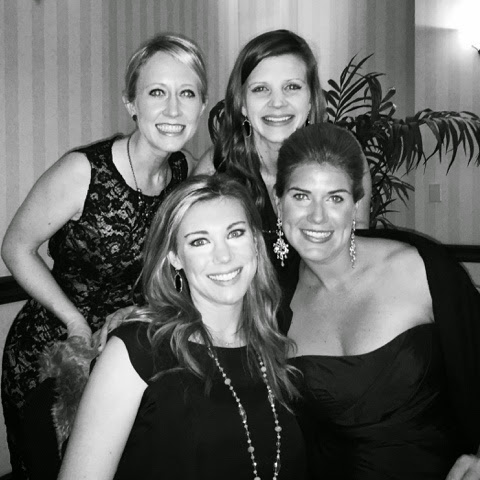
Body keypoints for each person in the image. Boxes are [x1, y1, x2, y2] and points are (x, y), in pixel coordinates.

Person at [1, 32, 207, 479]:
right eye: (157, 92)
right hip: (53, 350)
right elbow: (15, 247)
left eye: (187, 93)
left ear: (202, 106)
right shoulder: (83, 171)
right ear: (131, 102)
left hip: (123, 349)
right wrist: (76, 322)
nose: (173, 110)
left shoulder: (183, 172)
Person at [58, 174, 307, 480]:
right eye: (200, 241)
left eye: (235, 233)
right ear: (174, 257)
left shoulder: (275, 337)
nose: (223, 256)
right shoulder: (136, 351)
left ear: (255, 242)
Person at [274, 123, 480, 479]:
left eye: (335, 198)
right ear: (279, 204)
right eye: (301, 196)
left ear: (356, 205)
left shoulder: (419, 269)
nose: (317, 216)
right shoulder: (273, 300)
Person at [194, 29, 372, 286]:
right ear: (242, 103)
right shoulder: (216, 167)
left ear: (311, 99)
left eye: (292, 87)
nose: (277, 102)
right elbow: (192, 258)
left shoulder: (344, 159)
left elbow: (358, 252)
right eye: (261, 89)